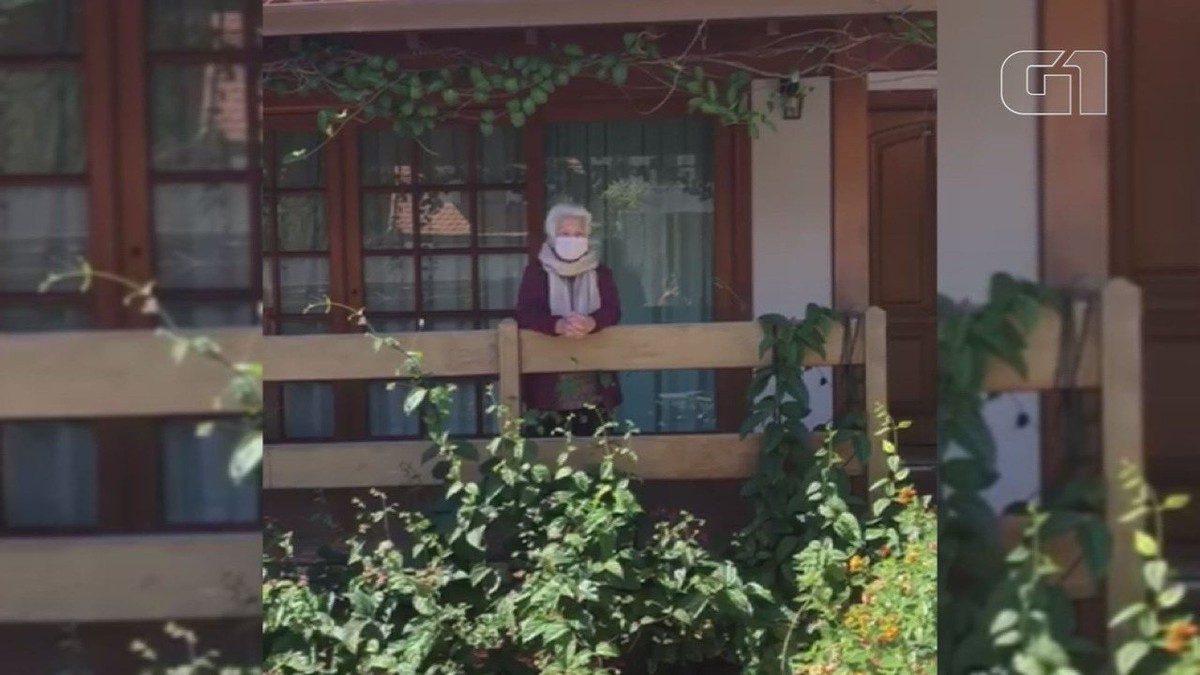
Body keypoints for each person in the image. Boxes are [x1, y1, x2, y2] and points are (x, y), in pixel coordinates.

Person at [514, 203, 622, 437]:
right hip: (547, 380)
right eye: (564, 233)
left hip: (593, 381)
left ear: (587, 237)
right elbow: (525, 312)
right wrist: (558, 325)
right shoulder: (536, 272)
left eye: (578, 234)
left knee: (597, 445)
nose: (572, 239)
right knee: (548, 450)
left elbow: (612, 311)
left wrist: (592, 322)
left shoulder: (601, 273)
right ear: (553, 236)